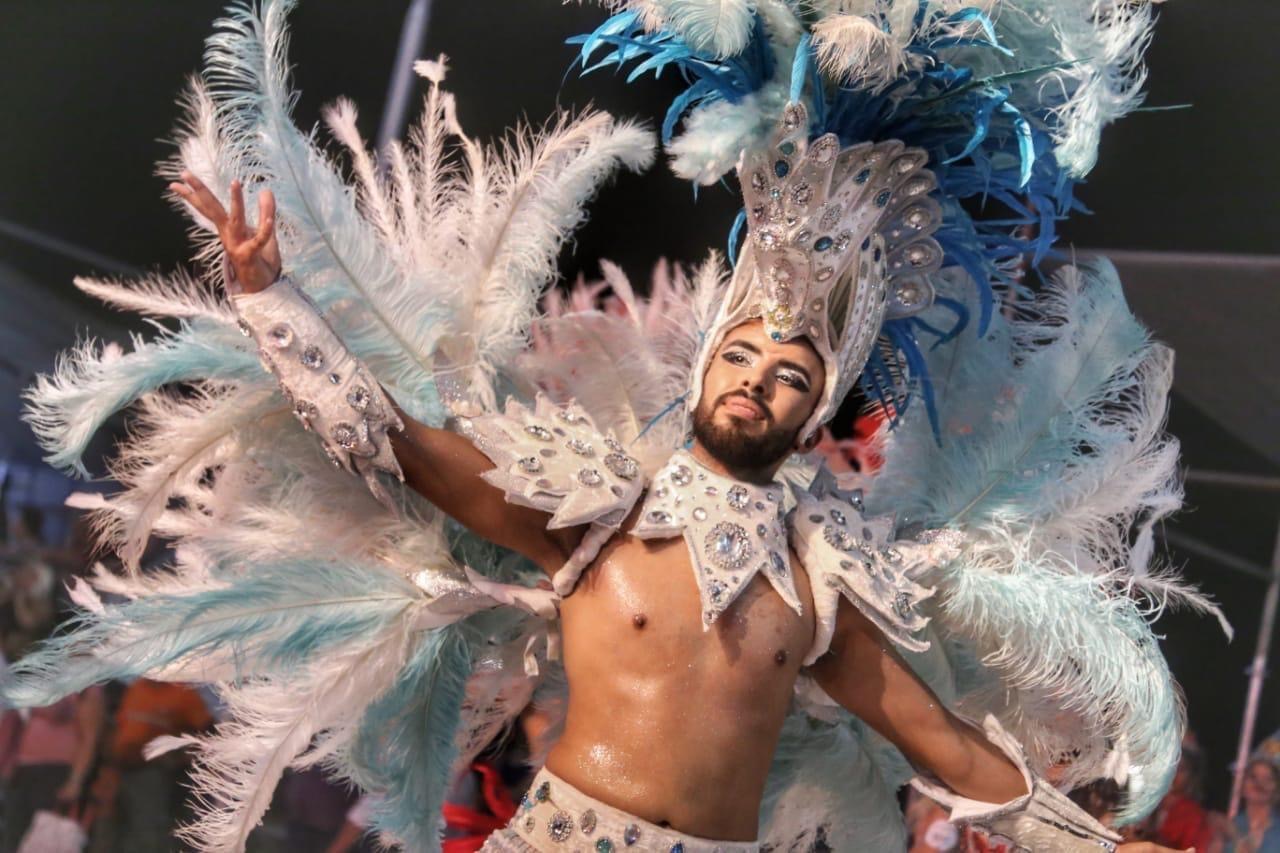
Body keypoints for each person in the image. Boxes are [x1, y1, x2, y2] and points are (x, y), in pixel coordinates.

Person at [4, 2, 1215, 851]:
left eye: (788, 373)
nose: (754, 380)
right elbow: (387, 443)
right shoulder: (594, 511)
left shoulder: (818, 584)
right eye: (739, 354)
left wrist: (1087, 844)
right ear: (704, 364)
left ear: (812, 411)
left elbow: (941, 745)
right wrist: (271, 298)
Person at [1222, 760, 1280, 853]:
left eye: (1267, 779)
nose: (1259, 783)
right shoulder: (1229, 827)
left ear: (1276, 788)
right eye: (1253, 777)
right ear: (1242, 784)